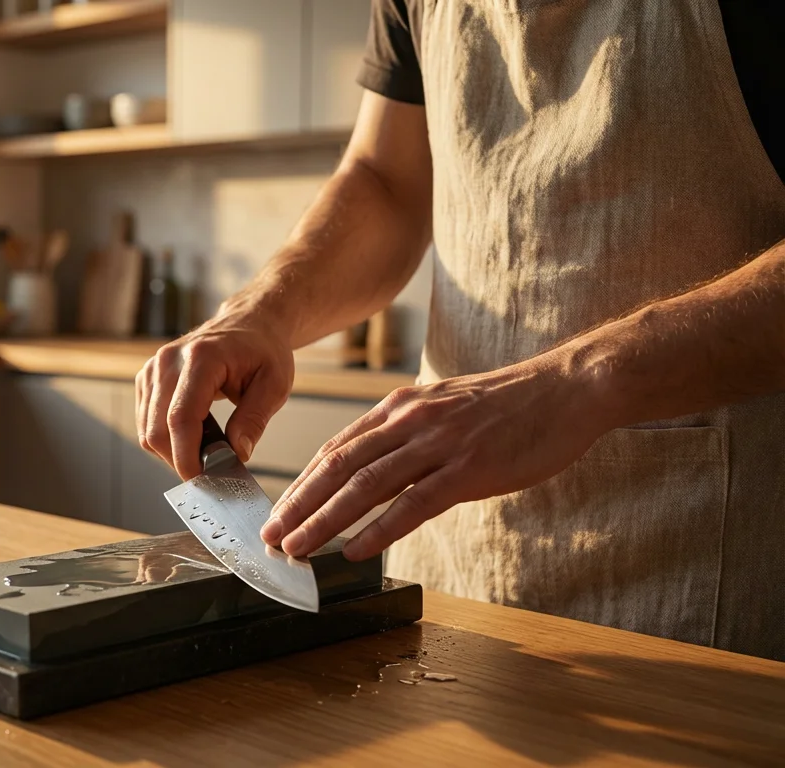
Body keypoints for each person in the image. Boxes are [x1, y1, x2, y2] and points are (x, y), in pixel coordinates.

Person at [135, 0, 785, 661]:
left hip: (710, 575)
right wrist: (261, 312)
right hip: (454, 563)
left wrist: (579, 380)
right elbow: (385, 182)